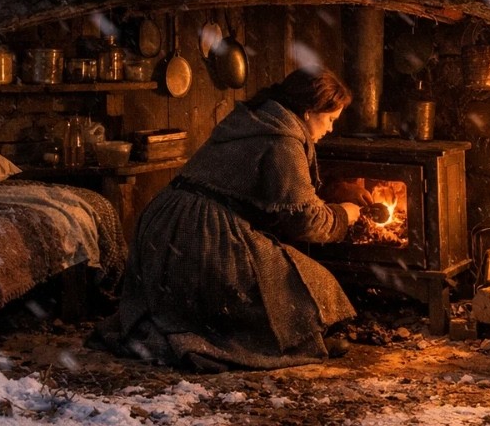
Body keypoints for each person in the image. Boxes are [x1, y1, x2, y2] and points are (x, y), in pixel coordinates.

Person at [92, 67, 367, 372]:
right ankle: (295, 342)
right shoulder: (283, 140)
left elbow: (281, 189)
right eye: (330, 119)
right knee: (304, 282)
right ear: (308, 111)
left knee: (276, 276)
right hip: (199, 233)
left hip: (165, 220)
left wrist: (336, 191)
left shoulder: (260, 119)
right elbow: (303, 218)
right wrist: (343, 214)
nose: (330, 129)